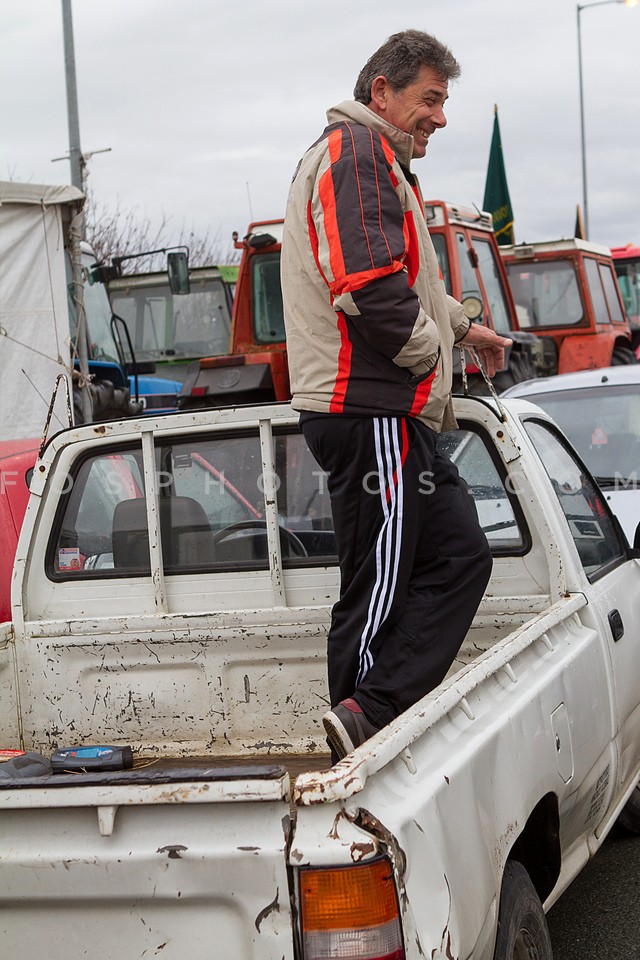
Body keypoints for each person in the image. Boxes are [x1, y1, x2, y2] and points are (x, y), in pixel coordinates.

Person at [281, 29, 512, 761]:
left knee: (459, 555)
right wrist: (425, 360)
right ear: (381, 92)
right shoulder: (358, 157)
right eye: (430, 99)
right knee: (377, 585)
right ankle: (360, 745)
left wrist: (466, 331)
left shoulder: (371, 160)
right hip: (370, 407)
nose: (440, 118)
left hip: (382, 409)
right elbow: (373, 290)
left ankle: (370, 713)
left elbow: (409, 287)